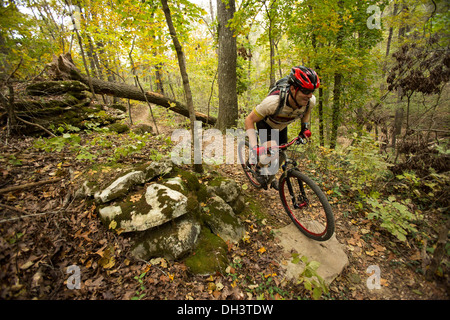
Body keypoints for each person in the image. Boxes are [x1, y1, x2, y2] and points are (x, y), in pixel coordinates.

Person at [244, 66, 320, 189]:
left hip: (281, 125)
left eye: (312, 91)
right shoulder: (273, 102)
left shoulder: (310, 101)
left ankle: (271, 177)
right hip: (266, 124)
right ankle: (259, 168)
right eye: (305, 91)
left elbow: (306, 113)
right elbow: (249, 119)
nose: (309, 96)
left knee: (281, 154)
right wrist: (254, 146)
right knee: (271, 152)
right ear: (293, 89)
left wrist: (304, 128)